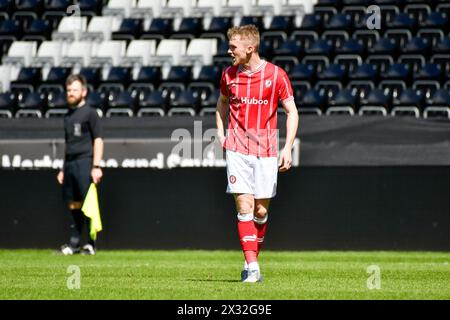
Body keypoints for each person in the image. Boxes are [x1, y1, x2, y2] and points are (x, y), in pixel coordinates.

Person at [216, 25, 299, 282]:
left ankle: (250, 258)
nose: (229, 51)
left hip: (266, 151)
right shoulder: (228, 75)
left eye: (233, 47)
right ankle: (253, 268)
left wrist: (287, 147)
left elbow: (292, 112)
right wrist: (221, 135)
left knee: (260, 212)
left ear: (250, 48)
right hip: (238, 149)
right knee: (244, 205)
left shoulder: (276, 75)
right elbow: (221, 103)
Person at [57, 74, 104, 255]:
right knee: (74, 204)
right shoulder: (68, 116)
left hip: (85, 162)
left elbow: (98, 140)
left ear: (83, 92)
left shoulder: (90, 113)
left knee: (88, 204)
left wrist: (96, 166)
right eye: (68, 90)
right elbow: (68, 144)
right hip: (70, 164)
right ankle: (74, 243)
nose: (70, 93)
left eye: (74, 90)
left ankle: (91, 243)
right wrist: (63, 167)